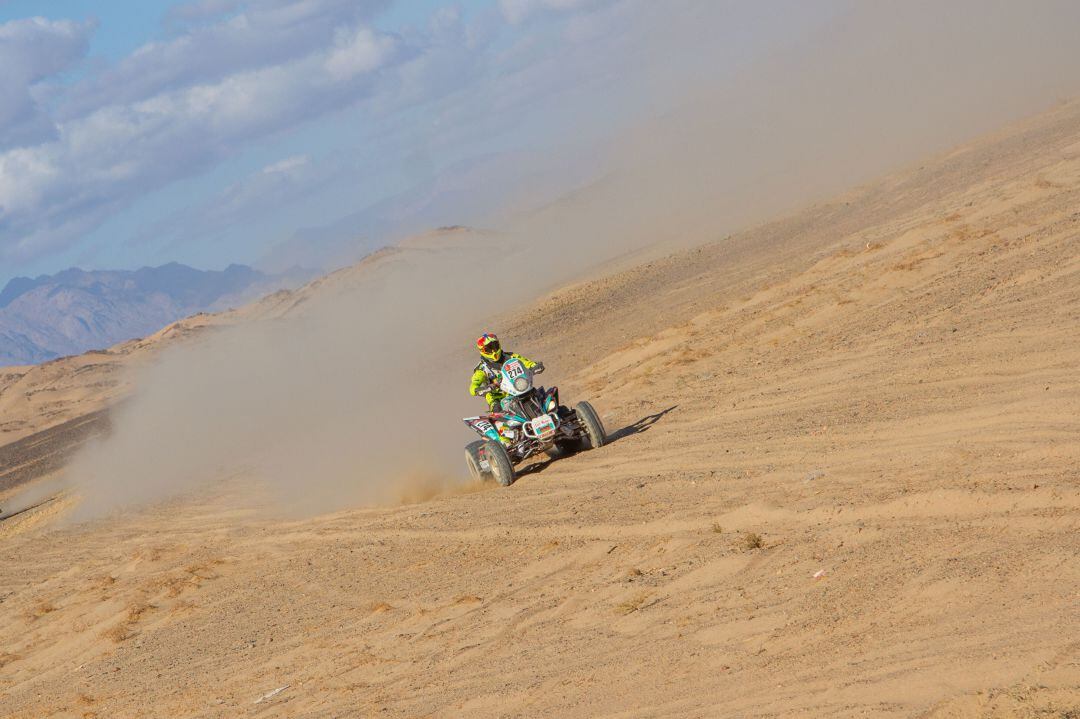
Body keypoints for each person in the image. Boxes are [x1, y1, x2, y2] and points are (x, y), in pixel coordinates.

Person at [469, 332, 542, 414]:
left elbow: (528, 363)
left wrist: (535, 366)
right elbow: (472, 388)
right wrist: (487, 388)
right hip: (498, 398)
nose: (493, 350)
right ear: (483, 351)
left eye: (495, 346)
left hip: (519, 388)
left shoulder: (511, 357)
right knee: (498, 412)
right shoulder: (481, 369)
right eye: (489, 349)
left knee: (541, 396)